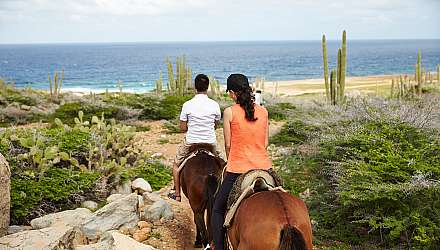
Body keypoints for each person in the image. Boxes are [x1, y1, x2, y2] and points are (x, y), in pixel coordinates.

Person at [210, 73, 272, 249]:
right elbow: (266, 143)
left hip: (238, 169)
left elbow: (228, 145)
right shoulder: (264, 111)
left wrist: (233, 160)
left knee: (217, 209)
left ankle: (220, 247)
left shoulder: (229, 112)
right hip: (264, 169)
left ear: (231, 93)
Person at [168, 74, 221, 202]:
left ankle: (177, 193)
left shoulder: (187, 104)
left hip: (191, 142)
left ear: (195, 87)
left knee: (176, 164)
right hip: (210, 142)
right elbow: (216, 124)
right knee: (224, 163)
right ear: (207, 87)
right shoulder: (214, 104)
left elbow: (182, 127)